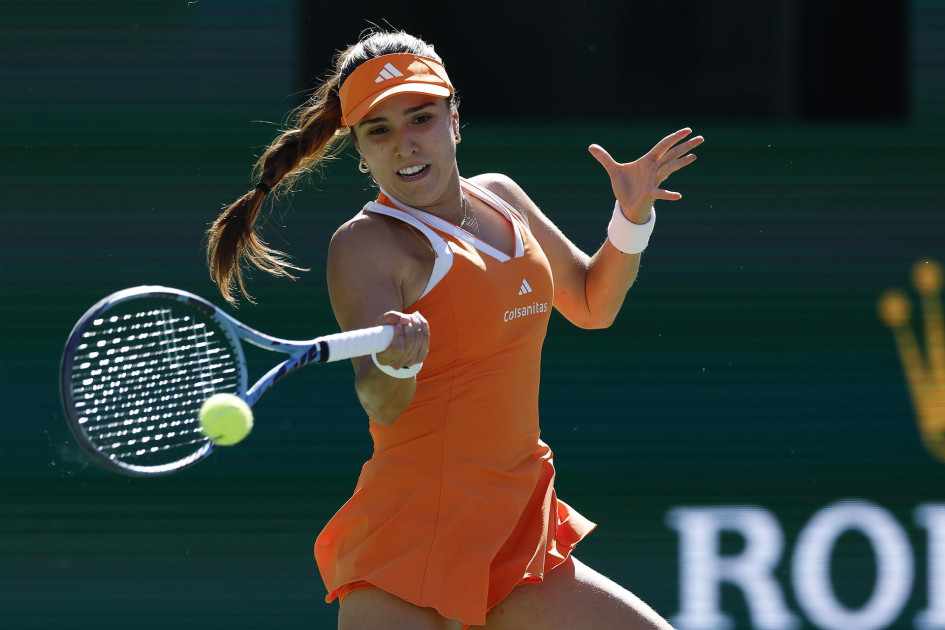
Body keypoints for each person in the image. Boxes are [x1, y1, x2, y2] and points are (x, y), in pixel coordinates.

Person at [207, 29, 702, 630]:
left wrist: (631, 218)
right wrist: (400, 363)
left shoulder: (502, 198)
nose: (404, 146)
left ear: (453, 118)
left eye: (420, 118)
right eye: (378, 130)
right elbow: (381, 402)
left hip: (516, 530)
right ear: (359, 150)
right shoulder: (365, 246)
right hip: (410, 543)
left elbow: (593, 303)